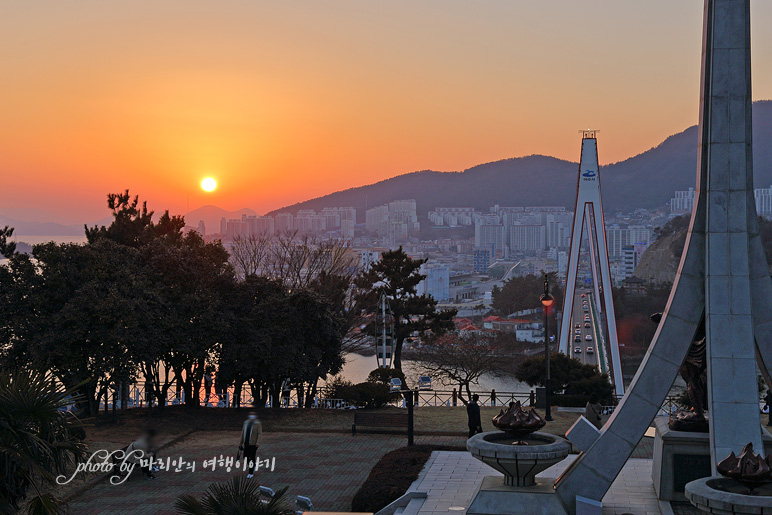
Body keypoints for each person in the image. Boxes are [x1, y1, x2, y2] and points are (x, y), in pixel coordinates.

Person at [238, 412, 262, 478]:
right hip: (246, 443)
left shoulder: (257, 424)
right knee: (245, 457)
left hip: (253, 444)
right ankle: (253, 465)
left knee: (252, 457)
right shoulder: (246, 423)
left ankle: (250, 472)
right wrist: (240, 443)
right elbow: (243, 433)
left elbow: (259, 434)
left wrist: (258, 442)